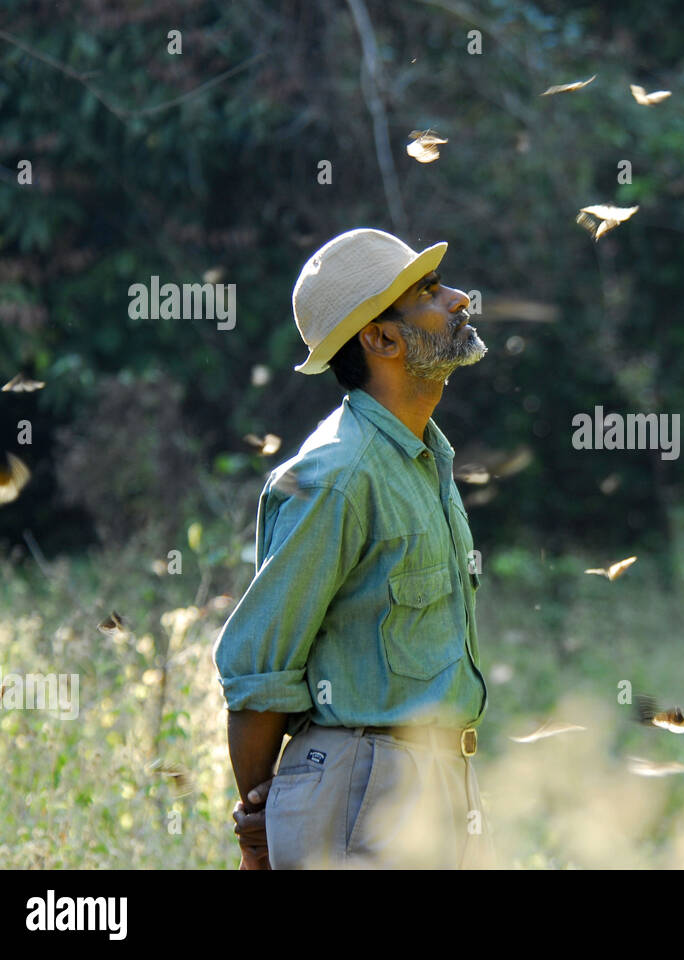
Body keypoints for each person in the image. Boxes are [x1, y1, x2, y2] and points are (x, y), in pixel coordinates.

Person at [213, 227, 493, 868]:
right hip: (364, 788)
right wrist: (259, 822)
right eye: (428, 292)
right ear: (383, 338)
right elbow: (258, 669)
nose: (458, 298)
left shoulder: (423, 457)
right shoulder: (339, 474)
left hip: (441, 780)